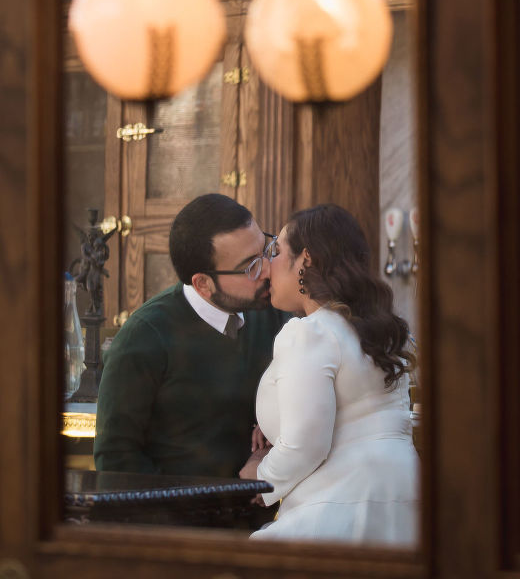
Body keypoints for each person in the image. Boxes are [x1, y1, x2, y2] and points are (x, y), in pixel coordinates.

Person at [240, 203, 419, 545]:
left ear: (305, 260)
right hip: (403, 498)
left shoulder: (309, 332)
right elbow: (354, 411)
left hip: (344, 504)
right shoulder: (377, 328)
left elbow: (306, 443)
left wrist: (260, 479)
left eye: (277, 251)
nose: (266, 267)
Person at [95, 194, 286, 477]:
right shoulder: (144, 337)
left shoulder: (276, 311)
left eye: (267, 250)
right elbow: (115, 459)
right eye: (251, 267)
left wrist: (269, 451)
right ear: (203, 284)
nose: (267, 269)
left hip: (265, 513)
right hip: (179, 516)